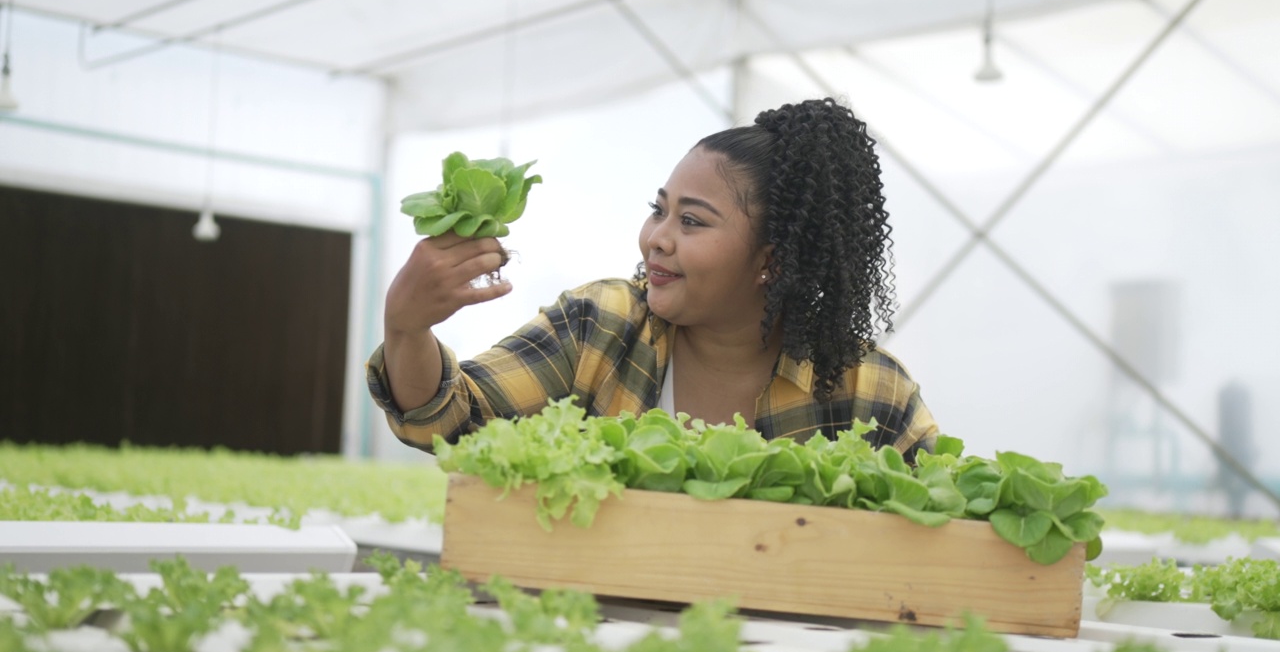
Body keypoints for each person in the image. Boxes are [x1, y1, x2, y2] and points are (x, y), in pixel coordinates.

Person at [367, 97, 939, 460]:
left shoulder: (871, 391)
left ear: (775, 260)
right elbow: (452, 422)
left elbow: (936, 533)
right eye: (658, 209)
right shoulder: (602, 326)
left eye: (691, 221)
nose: (656, 238)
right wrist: (406, 328)